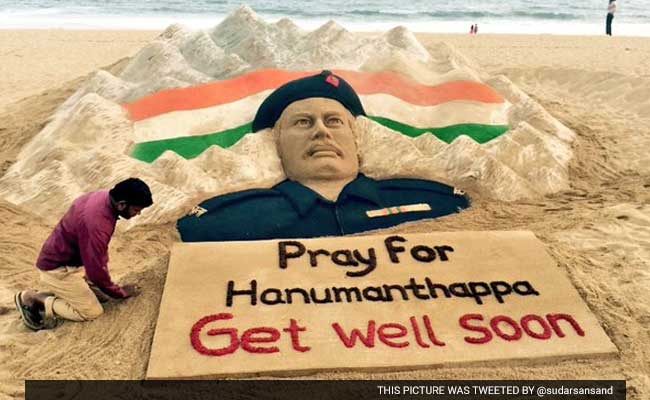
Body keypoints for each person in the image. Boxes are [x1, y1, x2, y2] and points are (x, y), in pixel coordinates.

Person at [177, 71, 470, 242]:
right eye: (303, 122)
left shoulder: (442, 201)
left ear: (356, 140)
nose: (321, 132)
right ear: (277, 144)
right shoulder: (220, 221)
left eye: (334, 121)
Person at [14, 178, 154, 330]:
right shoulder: (97, 224)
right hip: (57, 270)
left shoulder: (104, 197)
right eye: (136, 210)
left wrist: (102, 286)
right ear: (121, 204)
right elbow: (95, 270)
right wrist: (120, 292)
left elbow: (95, 255)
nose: (138, 214)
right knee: (92, 312)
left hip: (68, 259)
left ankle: (72, 290)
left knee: (103, 296)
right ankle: (34, 299)